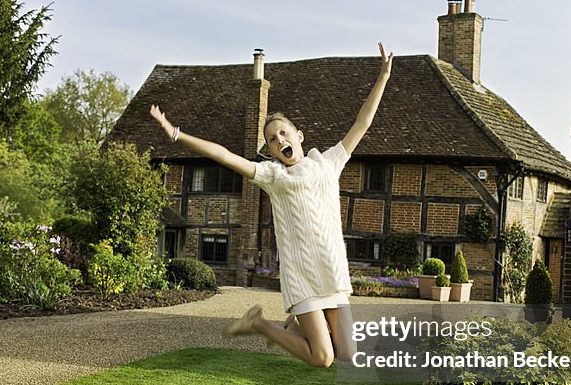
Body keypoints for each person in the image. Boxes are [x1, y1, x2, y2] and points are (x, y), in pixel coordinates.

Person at [149, 43, 394, 368]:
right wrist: (177, 134)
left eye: (283, 133)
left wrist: (384, 76)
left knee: (347, 356)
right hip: (302, 277)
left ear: (299, 136)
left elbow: (362, 123)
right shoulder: (272, 176)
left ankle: (295, 324)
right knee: (322, 358)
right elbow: (224, 154)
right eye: (273, 140)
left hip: (332, 273)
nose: (279, 141)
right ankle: (260, 323)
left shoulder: (328, 163)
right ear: (272, 152)